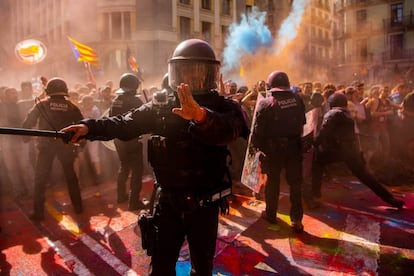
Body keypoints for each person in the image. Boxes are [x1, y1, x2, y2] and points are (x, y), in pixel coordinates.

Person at [61, 38, 249, 275]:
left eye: (198, 73)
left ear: (210, 75)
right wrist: (88, 128)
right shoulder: (161, 106)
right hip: (167, 203)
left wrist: (201, 116)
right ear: (176, 73)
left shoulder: (223, 107)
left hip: (205, 205)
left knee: (202, 269)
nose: (191, 80)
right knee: (161, 268)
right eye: (186, 73)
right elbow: (124, 123)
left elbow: (231, 129)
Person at [310, 92, 405, 209]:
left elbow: (324, 133)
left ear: (332, 103)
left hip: (338, 150)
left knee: (318, 160)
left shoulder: (332, 113)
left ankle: (315, 193)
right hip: (351, 151)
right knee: (366, 176)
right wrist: (359, 154)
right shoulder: (347, 114)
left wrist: (314, 142)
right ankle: (390, 199)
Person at [251, 71, 306, 233]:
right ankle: (297, 220)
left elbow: (258, 132)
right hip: (294, 148)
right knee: (295, 184)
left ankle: (271, 214)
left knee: (273, 182)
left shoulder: (266, 103)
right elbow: (303, 123)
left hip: (273, 150)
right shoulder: (297, 99)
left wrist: (257, 149)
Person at [22, 78, 84, 221]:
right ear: (65, 90)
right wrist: (80, 145)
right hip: (65, 145)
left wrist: (26, 137)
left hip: (45, 146)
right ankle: (78, 207)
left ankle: (38, 213)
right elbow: (81, 124)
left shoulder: (42, 104)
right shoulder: (71, 106)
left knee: (41, 179)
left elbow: (28, 123)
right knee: (71, 177)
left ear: (48, 90)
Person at [109, 73, 146, 210]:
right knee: (137, 170)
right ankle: (134, 201)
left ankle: (121, 196)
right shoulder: (135, 101)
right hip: (132, 139)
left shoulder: (116, 100)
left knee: (124, 166)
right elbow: (144, 117)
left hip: (119, 140)